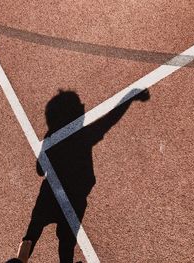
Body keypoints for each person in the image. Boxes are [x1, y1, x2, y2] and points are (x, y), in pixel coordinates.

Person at [21, 88, 150, 262]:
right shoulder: (84, 136)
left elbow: (39, 170)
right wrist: (129, 98)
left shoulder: (50, 139)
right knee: (66, 246)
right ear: (78, 113)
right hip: (74, 199)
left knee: (31, 236)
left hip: (48, 196)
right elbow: (109, 120)